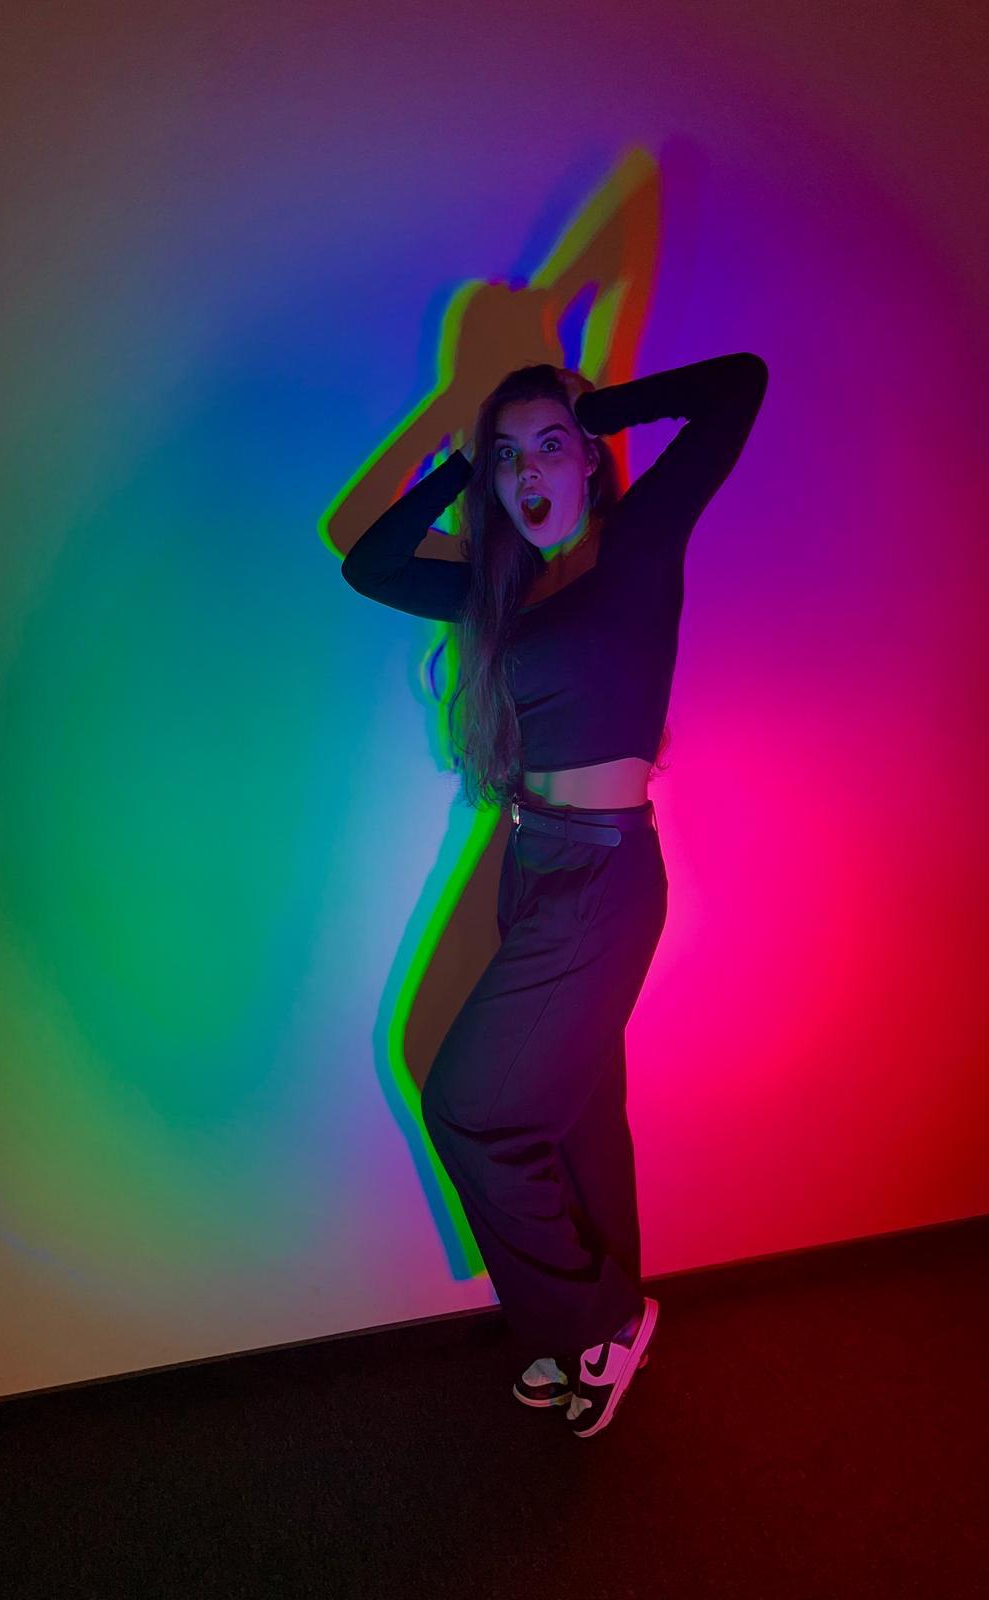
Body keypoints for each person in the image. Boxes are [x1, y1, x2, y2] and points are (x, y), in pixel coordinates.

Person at [341, 351, 769, 1437]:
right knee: (575, 1117)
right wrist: (458, 465)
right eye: (507, 457)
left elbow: (739, 386)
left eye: (548, 447)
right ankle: (570, 1332)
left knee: (466, 1105)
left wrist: (597, 408)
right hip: (532, 865)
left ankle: (600, 1319)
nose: (528, 472)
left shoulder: (640, 544)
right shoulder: (499, 590)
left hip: (605, 876)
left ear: (587, 461)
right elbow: (369, 564)